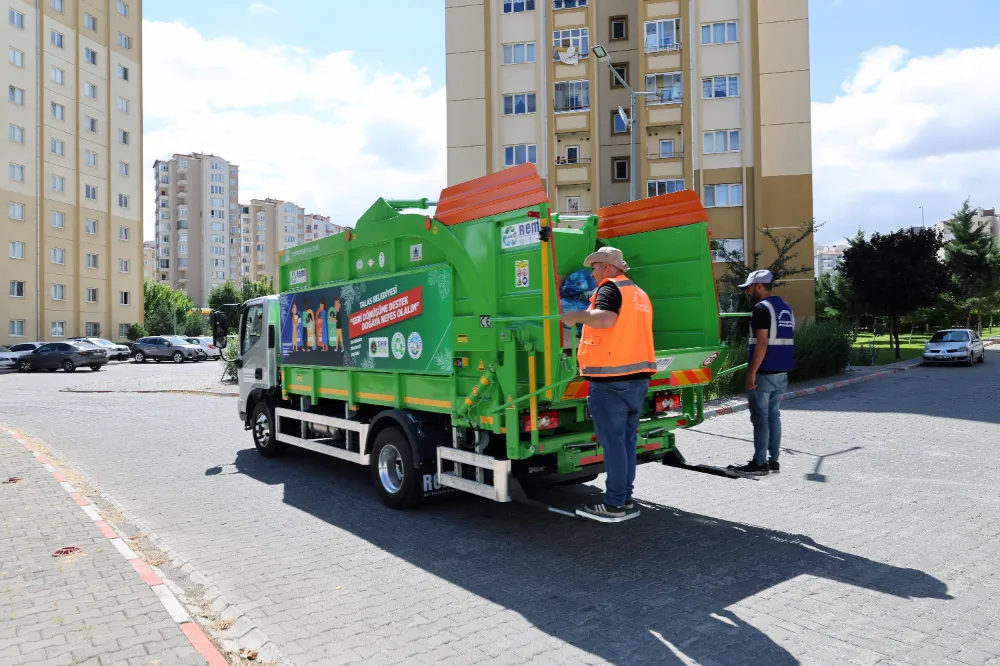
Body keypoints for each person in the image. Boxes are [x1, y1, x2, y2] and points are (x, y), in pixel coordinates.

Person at [560, 247, 656, 522]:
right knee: (625, 441)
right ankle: (624, 498)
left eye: (594, 267)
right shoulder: (639, 293)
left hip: (611, 380)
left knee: (613, 443)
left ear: (606, 266)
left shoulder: (610, 288)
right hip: (637, 378)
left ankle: (614, 504)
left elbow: (605, 319)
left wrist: (575, 316)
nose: (592, 273)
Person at [729, 269, 795, 476]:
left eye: (748, 288)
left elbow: (763, 342)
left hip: (764, 373)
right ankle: (773, 460)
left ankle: (759, 464)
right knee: (774, 416)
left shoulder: (761, 309)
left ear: (759, 286)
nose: (747, 292)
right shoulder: (785, 308)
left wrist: (751, 372)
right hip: (782, 371)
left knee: (760, 419)